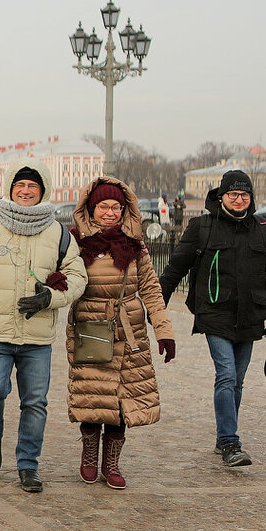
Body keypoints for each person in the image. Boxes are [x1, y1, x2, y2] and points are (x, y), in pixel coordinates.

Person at [0, 158, 87, 493]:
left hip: (37, 336)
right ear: (10, 188)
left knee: (35, 402)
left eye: (32, 186)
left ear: (43, 190)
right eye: (20, 185)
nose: (26, 190)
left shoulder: (59, 233)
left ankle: (28, 465)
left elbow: (78, 277)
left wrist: (50, 297)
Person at [158, 170, 266, 467]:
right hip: (214, 312)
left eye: (244, 195)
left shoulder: (263, 229)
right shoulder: (202, 227)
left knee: (237, 381)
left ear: (251, 199)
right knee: (226, 374)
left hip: (251, 315)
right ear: (221, 196)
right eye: (233, 194)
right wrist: (158, 306)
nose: (239, 200)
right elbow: (175, 269)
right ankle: (230, 442)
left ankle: (222, 436)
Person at [68, 177, 174, 489]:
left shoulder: (135, 245)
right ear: (91, 209)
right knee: (93, 395)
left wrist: (164, 331)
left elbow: (151, 291)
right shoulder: (75, 243)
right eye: (104, 206)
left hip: (130, 330)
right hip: (90, 326)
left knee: (123, 401)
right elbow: (64, 278)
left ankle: (111, 462)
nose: (111, 212)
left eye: (117, 207)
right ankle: (89, 452)